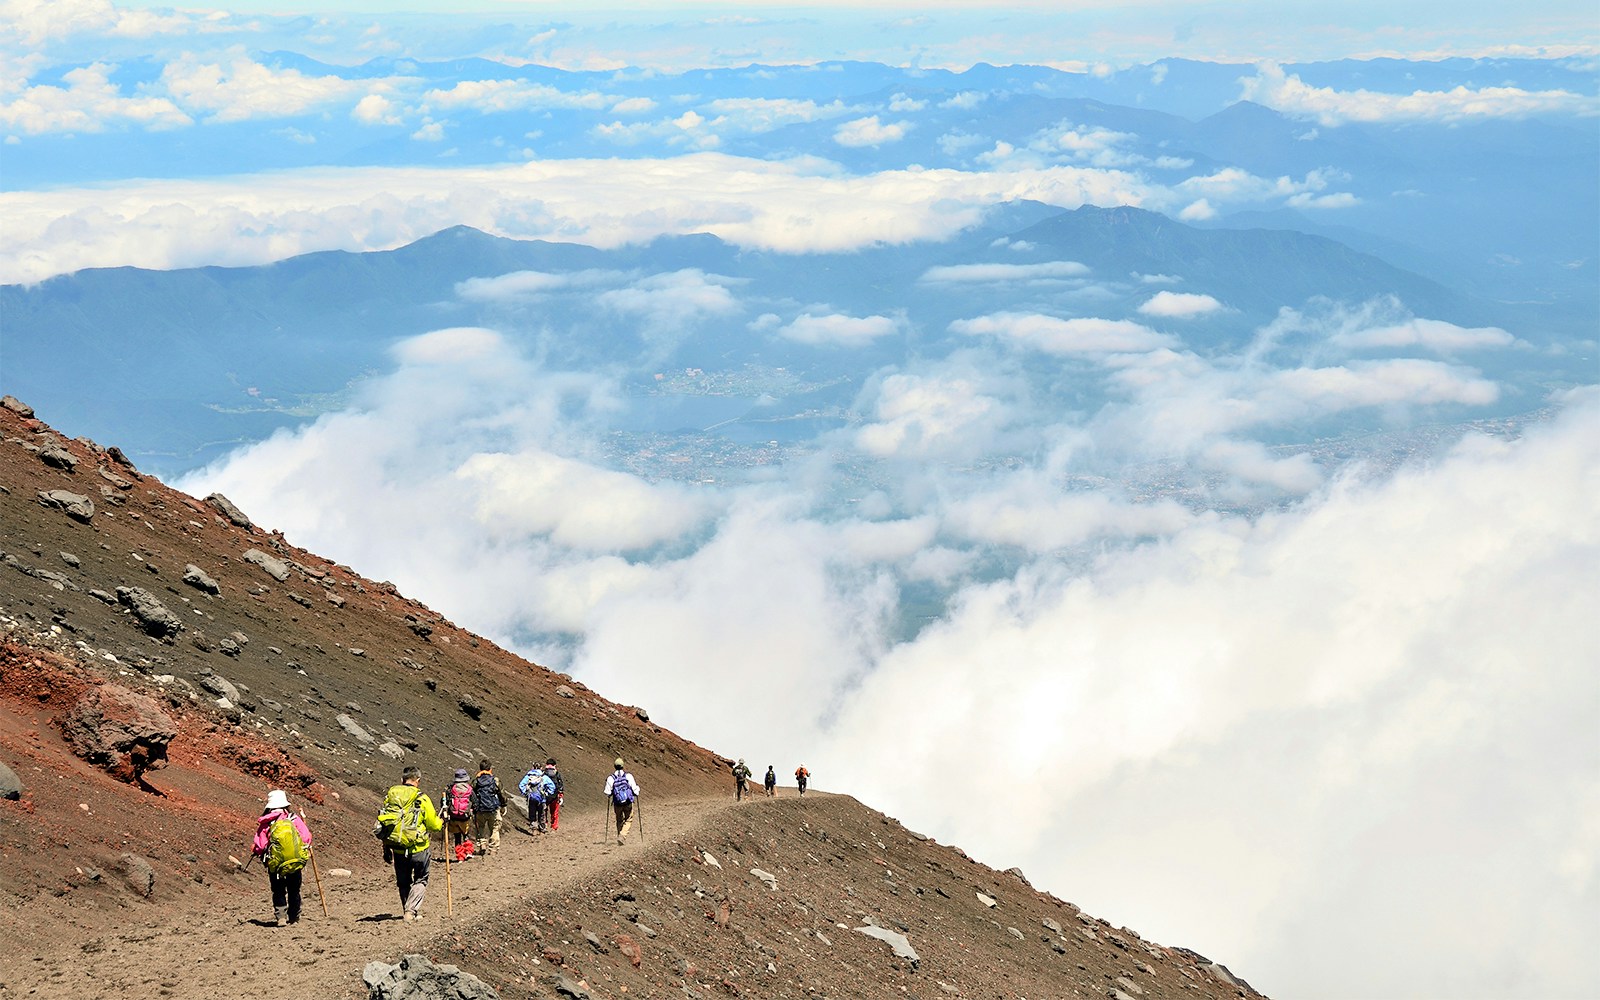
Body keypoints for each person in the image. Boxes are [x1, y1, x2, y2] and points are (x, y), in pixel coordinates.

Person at [375, 765, 443, 921]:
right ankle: (411, 911)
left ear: (402, 780)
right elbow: (434, 825)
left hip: (397, 848)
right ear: (417, 781)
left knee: (403, 881)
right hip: (419, 847)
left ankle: (406, 908)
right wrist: (441, 821)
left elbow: (386, 823)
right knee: (420, 879)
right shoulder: (422, 798)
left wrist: (386, 848)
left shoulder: (391, 796)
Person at [250, 788, 312, 926]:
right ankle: (294, 917)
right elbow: (306, 838)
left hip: (275, 864)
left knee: (278, 890)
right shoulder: (293, 819)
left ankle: (281, 917)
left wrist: (259, 852)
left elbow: (260, 845)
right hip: (294, 862)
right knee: (294, 889)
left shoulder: (266, 823)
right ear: (285, 805)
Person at [469, 760, 506, 857]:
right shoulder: (495, 780)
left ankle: (482, 844)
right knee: (494, 829)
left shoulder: (476, 781)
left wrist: (474, 805)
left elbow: (471, 794)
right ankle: (493, 849)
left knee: (480, 827)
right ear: (490, 769)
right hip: (493, 808)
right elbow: (501, 794)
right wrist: (503, 805)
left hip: (480, 809)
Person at [441, 767, 476, 862]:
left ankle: (460, 857)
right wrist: (473, 811)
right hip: (465, 817)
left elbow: (445, 803)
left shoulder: (451, 789)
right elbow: (475, 802)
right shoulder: (469, 789)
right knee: (466, 834)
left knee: (457, 837)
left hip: (453, 817)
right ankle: (468, 852)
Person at [604, 758, 640, 844]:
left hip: (617, 803)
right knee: (628, 819)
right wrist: (637, 792)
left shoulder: (610, 778)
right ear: (623, 766)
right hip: (628, 802)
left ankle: (619, 836)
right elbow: (635, 790)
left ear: (614, 766)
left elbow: (607, 792)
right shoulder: (628, 776)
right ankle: (622, 836)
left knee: (619, 820)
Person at [520, 764, 556, 833]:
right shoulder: (544, 777)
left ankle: (534, 829)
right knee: (541, 813)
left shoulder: (529, 776)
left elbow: (521, 785)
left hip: (531, 798)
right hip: (542, 798)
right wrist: (548, 793)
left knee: (532, 813)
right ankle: (542, 828)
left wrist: (525, 793)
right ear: (541, 768)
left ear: (533, 767)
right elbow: (552, 786)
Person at [542, 758, 565, 831]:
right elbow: (560, 784)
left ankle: (544, 824)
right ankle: (554, 826)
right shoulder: (556, 773)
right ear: (554, 765)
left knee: (544, 810)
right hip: (555, 795)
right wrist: (561, 795)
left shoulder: (543, 773)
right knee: (554, 812)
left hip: (545, 795)